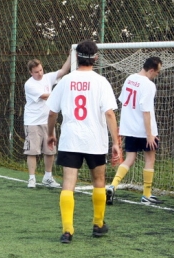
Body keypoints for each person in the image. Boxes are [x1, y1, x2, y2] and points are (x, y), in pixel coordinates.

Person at [46, 40, 120, 244]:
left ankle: (67, 231)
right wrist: (116, 142)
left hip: (71, 139)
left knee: (68, 184)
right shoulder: (101, 82)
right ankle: (98, 224)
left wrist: (50, 133)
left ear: (76, 58)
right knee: (99, 181)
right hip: (95, 140)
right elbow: (109, 114)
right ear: (96, 58)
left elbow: (52, 112)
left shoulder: (65, 81)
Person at [106, 56, 163, 206]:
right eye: (157, 72)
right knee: (150, 159)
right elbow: (146, 111)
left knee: (129, 159)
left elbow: (124, 101)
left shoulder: (130, 79)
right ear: (151, 70)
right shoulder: (149, 85)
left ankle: (113, 185)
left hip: (129, 128)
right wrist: (149, 134)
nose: (157, 75)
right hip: (144, 130)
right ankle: (146, 195)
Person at [23, 56, 70, 188]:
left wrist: (70, 55)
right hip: (33, 121)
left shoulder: (48, 77)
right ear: (31, 72)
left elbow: (62, 71)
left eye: (41, 70)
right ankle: (32, 178)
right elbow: (45, 96)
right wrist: (63, 93)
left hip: (47, 121)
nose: (40, 73)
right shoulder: (29, 84)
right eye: (36, 72)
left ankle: (47, 177)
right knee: (32, 151)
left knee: (50, 150)